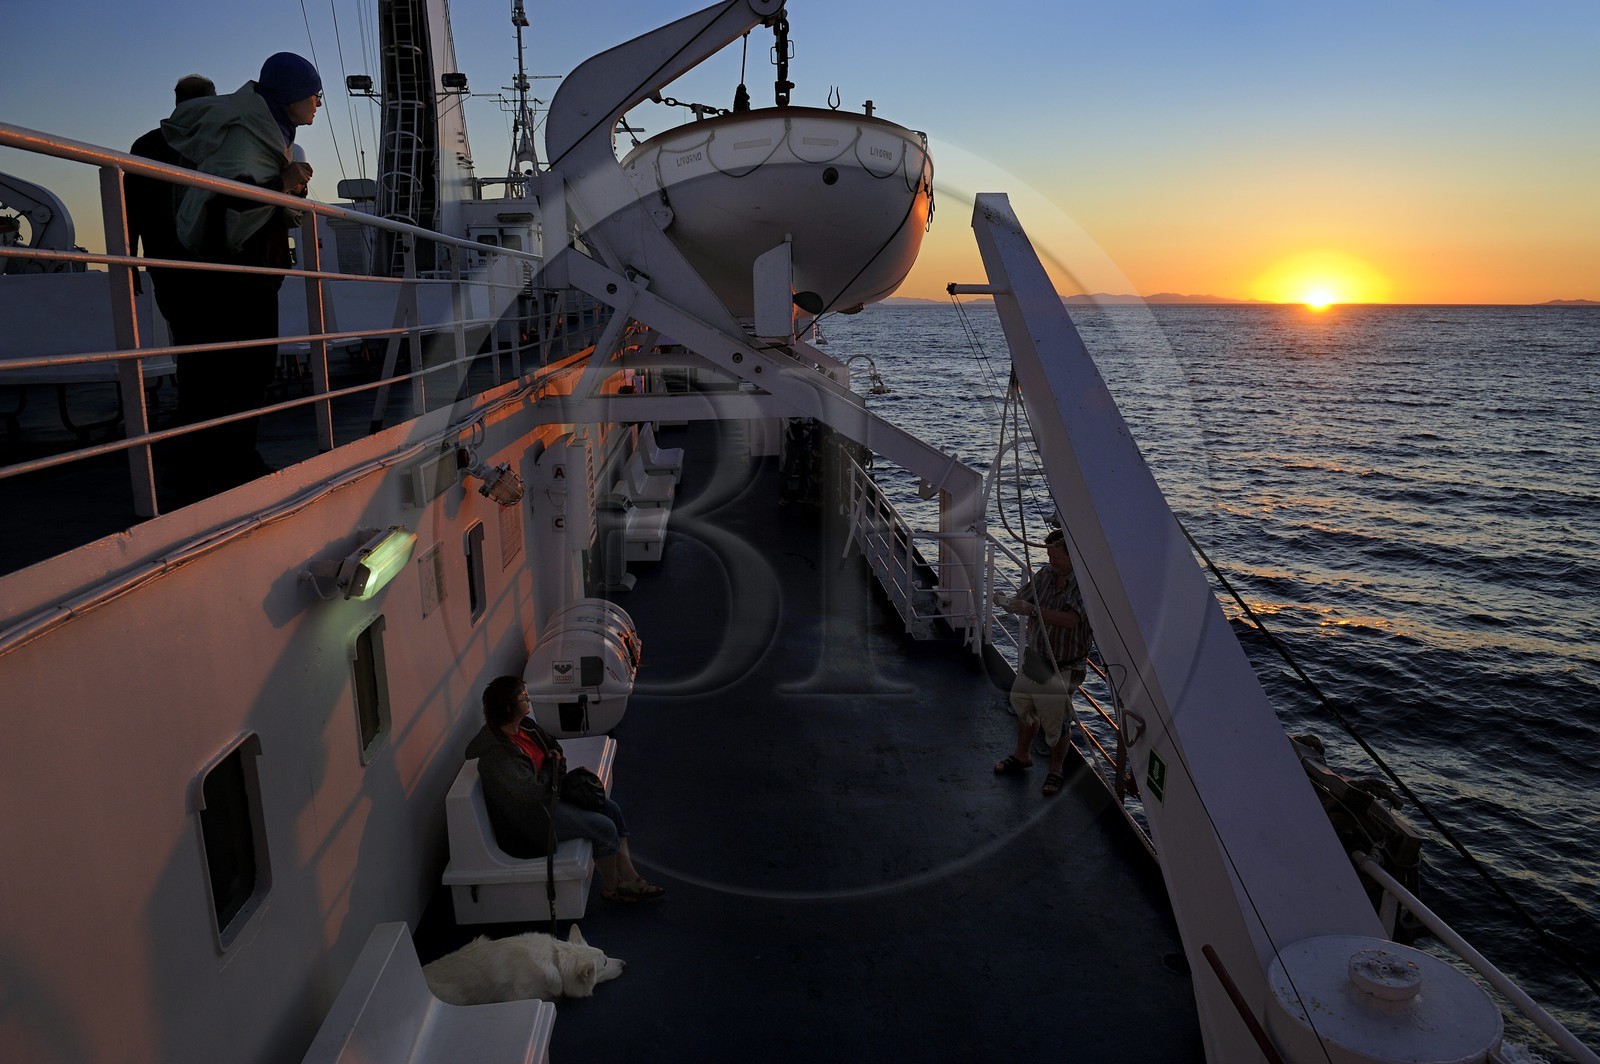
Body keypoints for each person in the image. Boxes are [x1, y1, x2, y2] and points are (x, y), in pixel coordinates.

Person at [158, 53, 321, 496]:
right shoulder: (248, 136)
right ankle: (220, 469)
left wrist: (288, 185)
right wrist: (283, 187)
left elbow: (244, 192)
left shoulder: (265, 129)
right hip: (233, 275)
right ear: (291, 96)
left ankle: (222, 462)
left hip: (241, 272)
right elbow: (227, 202)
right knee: (235, 372)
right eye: (314, 95)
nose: (318, 104)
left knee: (232, 371)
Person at [466, 675, 665, 902]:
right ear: (509, 706)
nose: (528, 698)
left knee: (611, 809)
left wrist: (554, 766)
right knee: (603, 827)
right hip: (531, 821)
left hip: (551, 796)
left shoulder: (526, 727)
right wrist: (554, 767)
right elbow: (530, 793)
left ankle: (630, 877)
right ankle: (613, 889)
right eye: (523, 696)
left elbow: (553, 746)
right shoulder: (498, 756)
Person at [992, 527, 1095, 797]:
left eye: (1056, 557)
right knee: (1025, 704)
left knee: (1056, 720)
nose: (1051, 562)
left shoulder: (1084, 584)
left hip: (1066, 664)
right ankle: (1022, 755)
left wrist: (1033, 611)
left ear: (1072, 557)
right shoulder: (1047, 575)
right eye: (1049, 556)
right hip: (1038, 658)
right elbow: (1024, 597)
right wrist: (1008, 602)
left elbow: (1072, 621)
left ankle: (1056, 771)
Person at [127, 74, 216, 329]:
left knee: (183, 332)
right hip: (209, 256)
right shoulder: (217, 142)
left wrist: (129, 260)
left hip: (163, 258)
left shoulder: (146, 145)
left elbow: (129, 210)